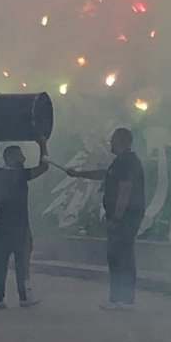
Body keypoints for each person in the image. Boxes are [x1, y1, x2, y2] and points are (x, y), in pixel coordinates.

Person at [65, 128, 145, 310]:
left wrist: (117, 217)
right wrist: (79, 174)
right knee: (117, 256)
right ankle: (119, 298)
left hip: (126, 217)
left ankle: (123, 299)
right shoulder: (121, 161)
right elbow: (105, 174)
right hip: (123, 216)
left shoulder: (127, 161)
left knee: (121, 256)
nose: (110, 143)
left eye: (113, 140)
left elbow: (125, 190)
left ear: (122, 141)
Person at [0, 136, 48, 309]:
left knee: (0, 262)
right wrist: (43, 145)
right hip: (19, 226)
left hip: (1, 226)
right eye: (20, 155)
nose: (24, 158)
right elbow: (44, 167)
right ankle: (23, 296)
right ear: (12, 158)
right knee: (21, 262)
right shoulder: (20, 175)